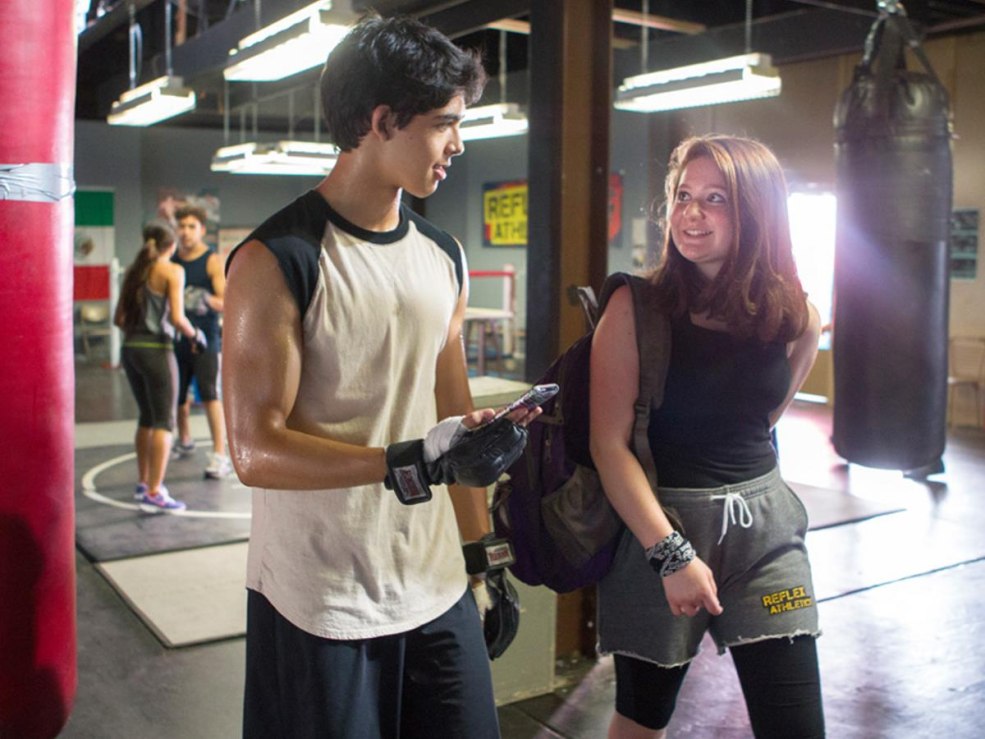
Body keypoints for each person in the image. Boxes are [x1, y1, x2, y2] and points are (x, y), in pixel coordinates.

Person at [222, 15, 536, 738]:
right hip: (322, 596)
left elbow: (453, 413)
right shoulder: (278, 259)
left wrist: (482, 555)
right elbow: (254, 449)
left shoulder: (443, 255)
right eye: (443, 124)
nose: (457, 144)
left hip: (434, 582)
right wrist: (404, 461)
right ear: (381, 120)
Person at [590, 135, 825, 738]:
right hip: (661, 534)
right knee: (642, 718)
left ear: (757, 210)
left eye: (715, 199)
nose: (691, 214)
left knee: (797, 724)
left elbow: (761, 421)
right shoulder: (635, 308)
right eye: (682, 196)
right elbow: (609, 446)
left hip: (767, 543)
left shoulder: (796, 316)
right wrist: (670, 555)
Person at [114, 222, 207, 512]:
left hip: (130, 350)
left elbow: (119, 319)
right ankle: (155, 492)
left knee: (146, 417)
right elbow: (178, 318)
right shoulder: (172, 270)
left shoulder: (135, 271)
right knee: (164, 421)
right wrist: (196, 336)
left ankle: (143, 484)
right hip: (156, 351)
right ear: (172, 245)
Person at [170, 204, 231, 479]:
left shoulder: (211, 260)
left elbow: (226, 301)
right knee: (178, 396)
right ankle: (184, 439)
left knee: (209, 394)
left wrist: (204, 299)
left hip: (206, 338)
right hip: (177, 337)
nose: (186, 232)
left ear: (202, 230)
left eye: (191, 227)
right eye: (182, 226)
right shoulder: (172, 259)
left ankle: (220, 455)